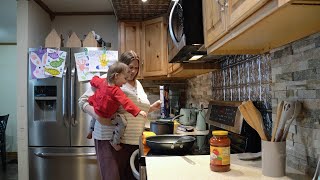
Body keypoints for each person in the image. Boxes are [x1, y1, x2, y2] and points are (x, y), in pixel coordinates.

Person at [78, 50, 161, 180]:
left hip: (133, 143)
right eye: (130, 67)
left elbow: (131, 109)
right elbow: (82, 101)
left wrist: (151, 108)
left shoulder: (138, 84)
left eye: (136, 68)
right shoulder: (111, 79)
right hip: (110, 139)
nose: (133, 71)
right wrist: (98, 116)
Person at [86, 62, 147, 151]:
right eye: (125, 78)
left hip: (97, 109)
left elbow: (94, 81)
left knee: (94, 117)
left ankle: (90, 131)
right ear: (116, 76)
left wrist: (94, 77)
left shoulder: (103, 82)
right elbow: (126, 102)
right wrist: (138, 111)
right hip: (108, 114)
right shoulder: (116, 91)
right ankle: (114, 142)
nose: (126, 81)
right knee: (122, 123)